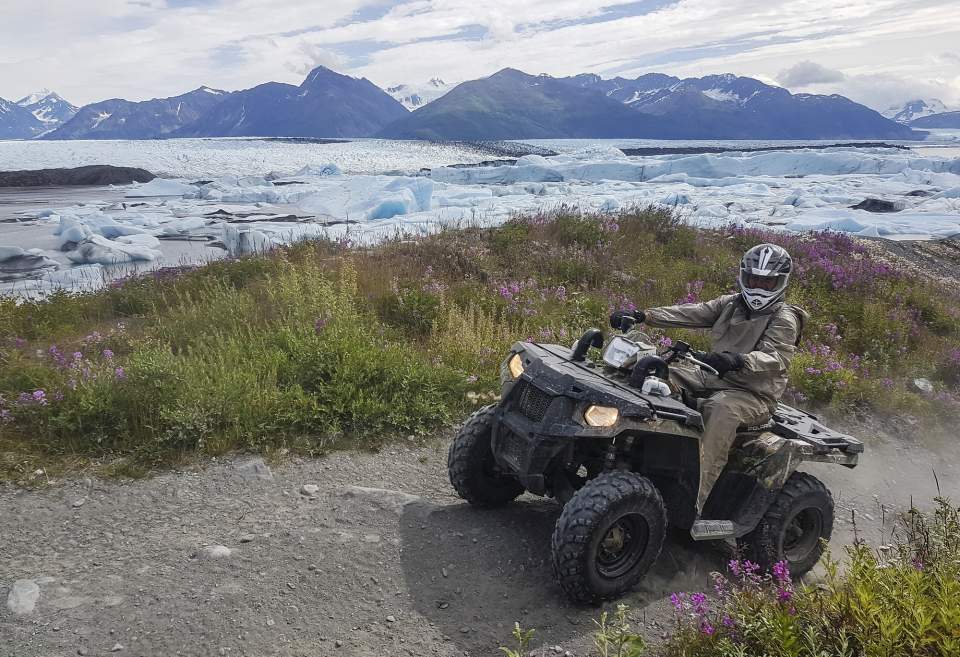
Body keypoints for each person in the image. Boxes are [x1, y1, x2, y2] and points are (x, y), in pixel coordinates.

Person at [610, 244, 808, 519]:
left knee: (719, 411)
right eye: (754, 279)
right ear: (744, 277)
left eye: (767, 281)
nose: (759, 287)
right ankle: (623, 449)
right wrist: (644, 316)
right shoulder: (730, 303)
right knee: (652, 372)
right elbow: (691, 312)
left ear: (780, 282)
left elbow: (776, 357)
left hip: (752, 393)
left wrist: (739, 360)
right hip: (711, 376)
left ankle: (693, 502)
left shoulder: (784, 318)